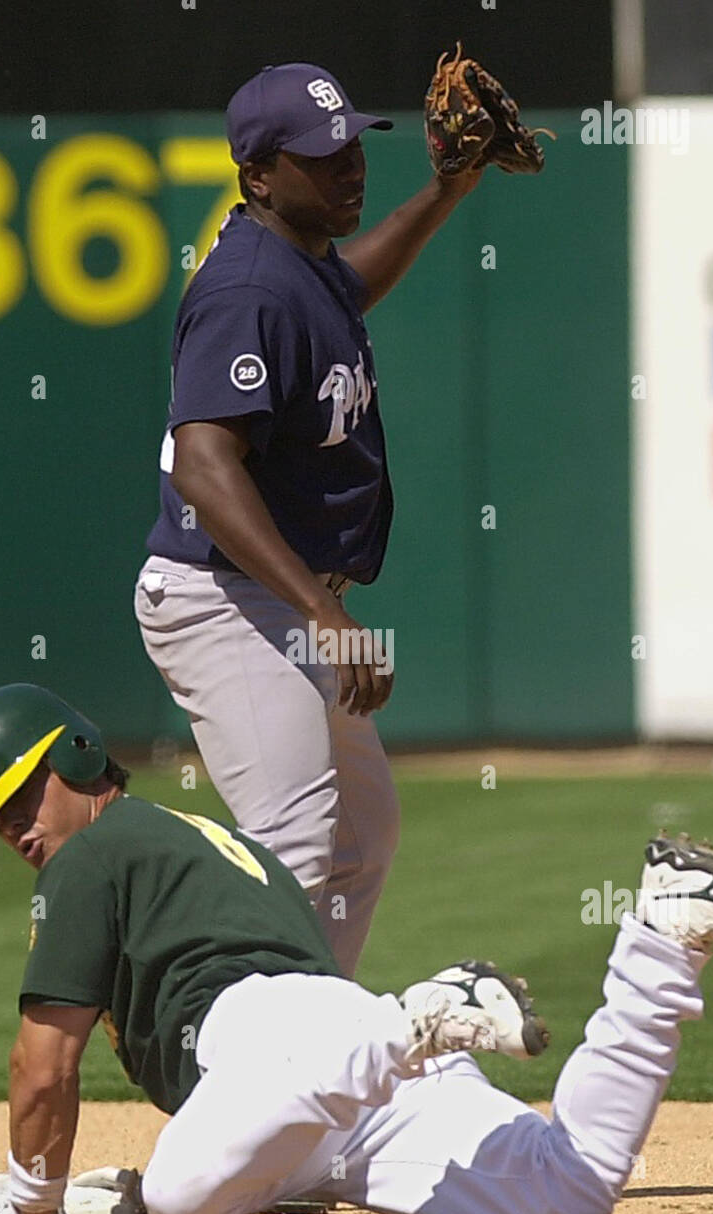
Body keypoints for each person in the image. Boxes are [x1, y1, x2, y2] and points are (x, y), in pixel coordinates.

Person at [0, 683, 713, 1214]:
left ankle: (418, 1018)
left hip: (280, 1038)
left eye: (25, 789)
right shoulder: (191, 840)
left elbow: (43, 1062)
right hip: (333, 1067)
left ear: (80, 757)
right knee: (568, 1196)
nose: (17, 825)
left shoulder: (92, 855)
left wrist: (31, 1206)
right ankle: (663, 939)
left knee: (180, 1203)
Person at [134, 61, 487, 975]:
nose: (349, 168)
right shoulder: (246, 291)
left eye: (352, 146)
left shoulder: (301, 263)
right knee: (290, 853)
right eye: (321, 156)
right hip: (224, 599)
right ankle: (240, 1064)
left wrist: (446, 190)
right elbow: (207, 468)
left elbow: (347, 288)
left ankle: (307, 1052)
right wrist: (322, 613)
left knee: (361, 838)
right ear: (259, 176)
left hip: (273, 595)